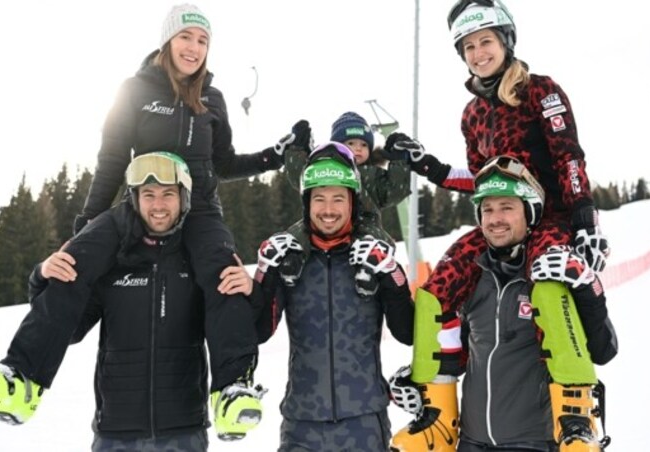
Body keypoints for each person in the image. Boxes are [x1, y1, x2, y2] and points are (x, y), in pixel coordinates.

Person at [382, 0, 611, 402]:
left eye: (485, 42)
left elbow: (568, 156)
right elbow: (481, 181)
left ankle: (575, 409)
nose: (478, 54)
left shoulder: (540, 90)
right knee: (437, 289)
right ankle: (435, 404)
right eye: (468, 47)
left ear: (506, 41)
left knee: (548, 280)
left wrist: (584, 222)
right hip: (499, 223)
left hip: (550, 219)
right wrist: (427, 164)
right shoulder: (472, 114)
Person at [0, 153, 266, 451]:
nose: (158, 205)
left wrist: (252, 293)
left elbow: (237, 327)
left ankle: (231, 391)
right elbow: (69, 328)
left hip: (183, 431)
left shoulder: (199, 262)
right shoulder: (111, 264)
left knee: (227, 282)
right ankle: (22, 381)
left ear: (184, 198)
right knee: (70, 269)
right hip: (115, 432)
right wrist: (42, 277)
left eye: (168, 194)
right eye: (148, 195)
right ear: (134, 199)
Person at [73, 4, 299, 389]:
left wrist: (273, 157)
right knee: (73, 265)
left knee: (225, 275)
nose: (194, 48)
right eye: (186, 37)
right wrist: (88, 223)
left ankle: (233, 387)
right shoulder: (134, 90)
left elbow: (223, 163)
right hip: (146, 209)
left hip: (201, 213)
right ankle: (22, 373)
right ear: (167, 41)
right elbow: (112, 161)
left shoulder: (213, 98)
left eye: (202, 41)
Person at [389, 157, 618, 452]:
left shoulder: (553, 276)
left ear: (529, 212)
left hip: (535, 442)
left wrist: (588, 284)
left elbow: (604, 349)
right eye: (487, 209)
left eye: (507, 207)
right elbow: (455, 357)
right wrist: (415, 378)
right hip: (471, 442)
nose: (495, 218)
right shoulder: (471, 280)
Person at [251, 142, 415, 451]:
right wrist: (264, 272)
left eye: (338, 198)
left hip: (364, 423)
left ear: (352, 202)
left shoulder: (370, 259)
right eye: (319, 198)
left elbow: (406, 332)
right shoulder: (291, 261)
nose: (328, 210)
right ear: (307, 203)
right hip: (303, 426)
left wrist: (392, 272)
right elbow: (258, 331)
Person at [281, 112, 412, 295]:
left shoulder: (371, 174)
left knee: (375, 240)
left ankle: (367, 271)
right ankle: (292, 260)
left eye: (363, 144)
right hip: (327, 217)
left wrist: (399, 161)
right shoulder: (325, 169)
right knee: (301, 230)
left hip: (365, 220)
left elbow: (394, 191)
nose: (357, 149)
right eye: (350, 143)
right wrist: (297, 149)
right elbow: (300, 176)